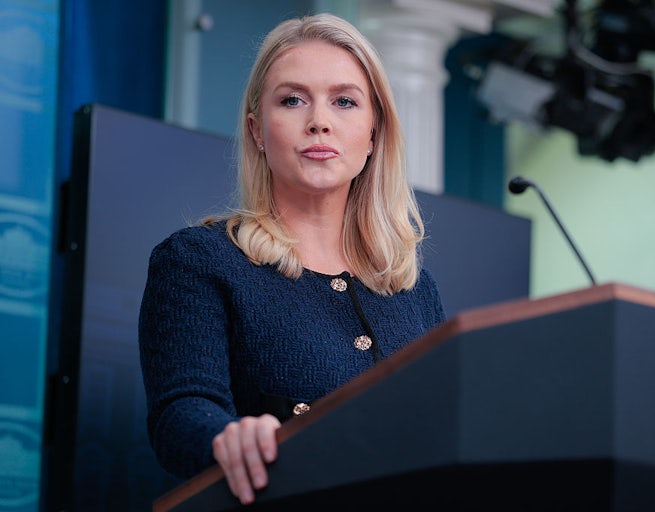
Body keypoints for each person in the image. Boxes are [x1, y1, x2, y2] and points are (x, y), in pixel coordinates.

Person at [138, 12, 447, 506]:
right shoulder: (200, 260)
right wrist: (226, 437)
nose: (319, 120)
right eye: (292, 99)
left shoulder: (412, 289)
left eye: (344, 101)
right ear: (257, 131)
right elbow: (182, 411)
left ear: (372, 135)